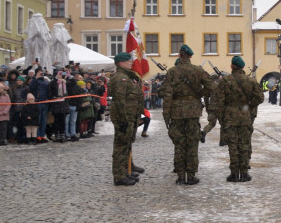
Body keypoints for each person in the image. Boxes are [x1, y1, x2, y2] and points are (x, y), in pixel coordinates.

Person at [158, 45, 215, 185]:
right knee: (192, 144)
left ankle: (180, 175)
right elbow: (212, 87)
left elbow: (165, 93)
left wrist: (167, 114)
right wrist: (198, 95)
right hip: (192, 111)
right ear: (190, 56)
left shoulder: (172, 72)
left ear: (179, 55)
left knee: (179, 144)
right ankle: (191, 176)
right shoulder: (198, 70)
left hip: (176, 112)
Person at [208, 55, 264, 182]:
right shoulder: (250, 81)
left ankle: (234, 173)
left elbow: (219, 101)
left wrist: (222, 117)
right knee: (244, 144)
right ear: (243, 67)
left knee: (233, 146)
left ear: (232, 66)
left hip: (230, 117)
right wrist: (249, 105)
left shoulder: (225, 81)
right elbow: (260, 97)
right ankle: (244, 173)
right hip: (245, 117)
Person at [110, 52, 145, 186]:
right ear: (120, 63)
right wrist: (123, 119)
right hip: (123, 117)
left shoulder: (127, 76)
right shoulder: (121, 78)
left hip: (130, 116)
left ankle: (125, 171)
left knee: (126, 145)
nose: (131, 62)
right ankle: (119, 176)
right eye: (128, 61)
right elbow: (120, 100)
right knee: (121, 146)